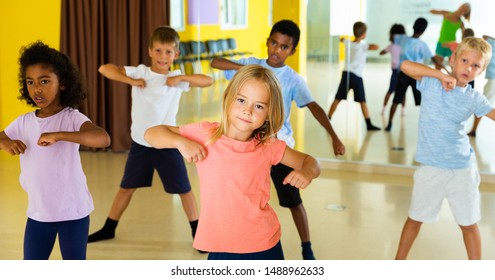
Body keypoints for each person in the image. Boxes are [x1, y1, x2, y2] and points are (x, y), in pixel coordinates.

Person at [144, 64, 321, 260]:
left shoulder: (269, 146)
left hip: (264, 245)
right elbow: (151, 134)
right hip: (221, 246)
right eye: (241, 100)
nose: (248, 111)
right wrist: (180, 142)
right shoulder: (205, 134)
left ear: (269, 115)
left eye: (259, 106)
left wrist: (307, 172)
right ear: (229, 98)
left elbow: (310, 161)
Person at [210, 19, 345, 260]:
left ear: (292, 51)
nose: (277, 50)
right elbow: (215, 62)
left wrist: (334, 136)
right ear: (268, 42)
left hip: (277, 148)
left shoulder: (293, 79)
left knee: (293, 202)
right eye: (274, 43)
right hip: (249, 146)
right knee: (239, 196)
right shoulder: (251, 65)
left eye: (284, 47)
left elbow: (314, 108)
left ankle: (307, 246)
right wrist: (245, 71)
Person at [87, 26, 213, 248]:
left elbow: (207, 81)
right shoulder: (141, 72)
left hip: (168, 145)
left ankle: (199, 234)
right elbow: (104, 68)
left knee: (184, 190)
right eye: (158, 50)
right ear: (150, 51)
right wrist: (131, 81)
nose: (163, 56)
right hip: (141, 145)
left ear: (176, 55)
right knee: (126, 188)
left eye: (168, 52)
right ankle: (109, 228)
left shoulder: (176, 78)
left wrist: (180, 77)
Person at [0, 41, 111, 259]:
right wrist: (4, 142)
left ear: (62, 83)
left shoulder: (71, 117)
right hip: (38, 214)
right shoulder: (24, 122)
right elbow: (2, 135)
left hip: (73, 213)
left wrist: (58, 135)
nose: (36, 89)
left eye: (44, 81)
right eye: (30, 82)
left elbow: (102, 138)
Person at [395, 37, 495, 260]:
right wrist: (440, 74)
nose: (468, 68)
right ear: (454, 59)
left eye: (476, 65)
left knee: (469, 225)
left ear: (481, 71)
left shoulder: (473, 98)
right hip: (431, 168)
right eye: (464, 60)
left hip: (462, 170)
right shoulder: (431, 83)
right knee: (414, 219)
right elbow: (405, 66)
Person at [385, 18, 443, 132]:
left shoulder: (401, 39)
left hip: (403, 73)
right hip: (417, 76)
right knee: (423, 101)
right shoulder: (422, 45)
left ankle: (389, 124)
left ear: (413, 27)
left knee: (396, 100)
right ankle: (429, 125)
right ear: (424, 31)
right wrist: (443, 67)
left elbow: (393, 39)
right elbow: (433, 59)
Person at [327, 21, 381, 130]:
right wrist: (369, 44)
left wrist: (345, 39)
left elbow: (341, 39)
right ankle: (369, 124)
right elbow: (376, 47)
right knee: (362, 101)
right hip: (356, 76)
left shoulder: (348, 43)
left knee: (338, 98)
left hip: (346, 74)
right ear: (363, 34)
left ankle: (328, 119)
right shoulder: (363, 46)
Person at [468, 34, 495, 137]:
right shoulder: (492, 44)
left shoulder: (492, 43)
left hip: (493, 80)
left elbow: (485, 36)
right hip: (492, 79)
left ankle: (474, 130)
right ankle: (474, 130)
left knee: (482, 105)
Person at [431, 3, 471, 70]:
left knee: (453, 67)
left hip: (452, 46)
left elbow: (464, 37)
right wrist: (442, 13)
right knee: (437, 67)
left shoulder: (461, 23)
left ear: (465, 14)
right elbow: (432, 11)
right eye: (462, 7)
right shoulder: (447, 13)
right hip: (441, 43)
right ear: (460, 6)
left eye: (465, 10)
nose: (462, 10)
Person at [380, 23, 406, 116]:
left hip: (402, 70)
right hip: (396, 71)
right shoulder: (393, 46)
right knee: (392, 90)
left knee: (400, 91)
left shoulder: (398, 46)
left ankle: (402, 110)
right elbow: (382, 52)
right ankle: (384, 108)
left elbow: (382, 52)